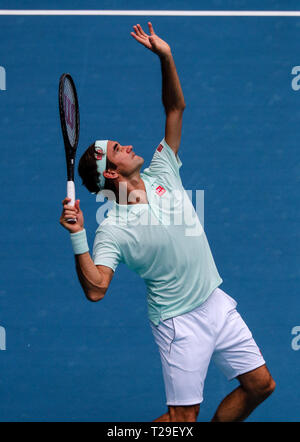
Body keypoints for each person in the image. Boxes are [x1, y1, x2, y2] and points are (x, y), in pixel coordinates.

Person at [59, 22, 275, 422]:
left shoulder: (162, 170)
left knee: (261, 386)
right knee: (180, 421)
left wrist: (166, 56)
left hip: (215, 302)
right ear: (110, 173)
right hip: (179, 322)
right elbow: (96, 290)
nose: (126, 145)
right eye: (116, 150)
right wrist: (78, 238)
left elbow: (175, 108)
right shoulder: (112, 228)